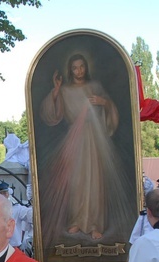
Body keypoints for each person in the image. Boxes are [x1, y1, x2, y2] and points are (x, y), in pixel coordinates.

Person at [39, 53, 131, 246]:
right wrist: (56, 90)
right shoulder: (64, 90)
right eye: (75, 68)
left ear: (86, 68)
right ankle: (76, 221)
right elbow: (51, 115)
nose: (79, 71)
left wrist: (104, 102)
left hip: (95, 139)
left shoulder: (95, 86)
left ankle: (95, 224)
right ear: (70, 70)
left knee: (95, 181)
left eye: (82, 67)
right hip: (75, 139)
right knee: (76, 181)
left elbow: (111, 110)